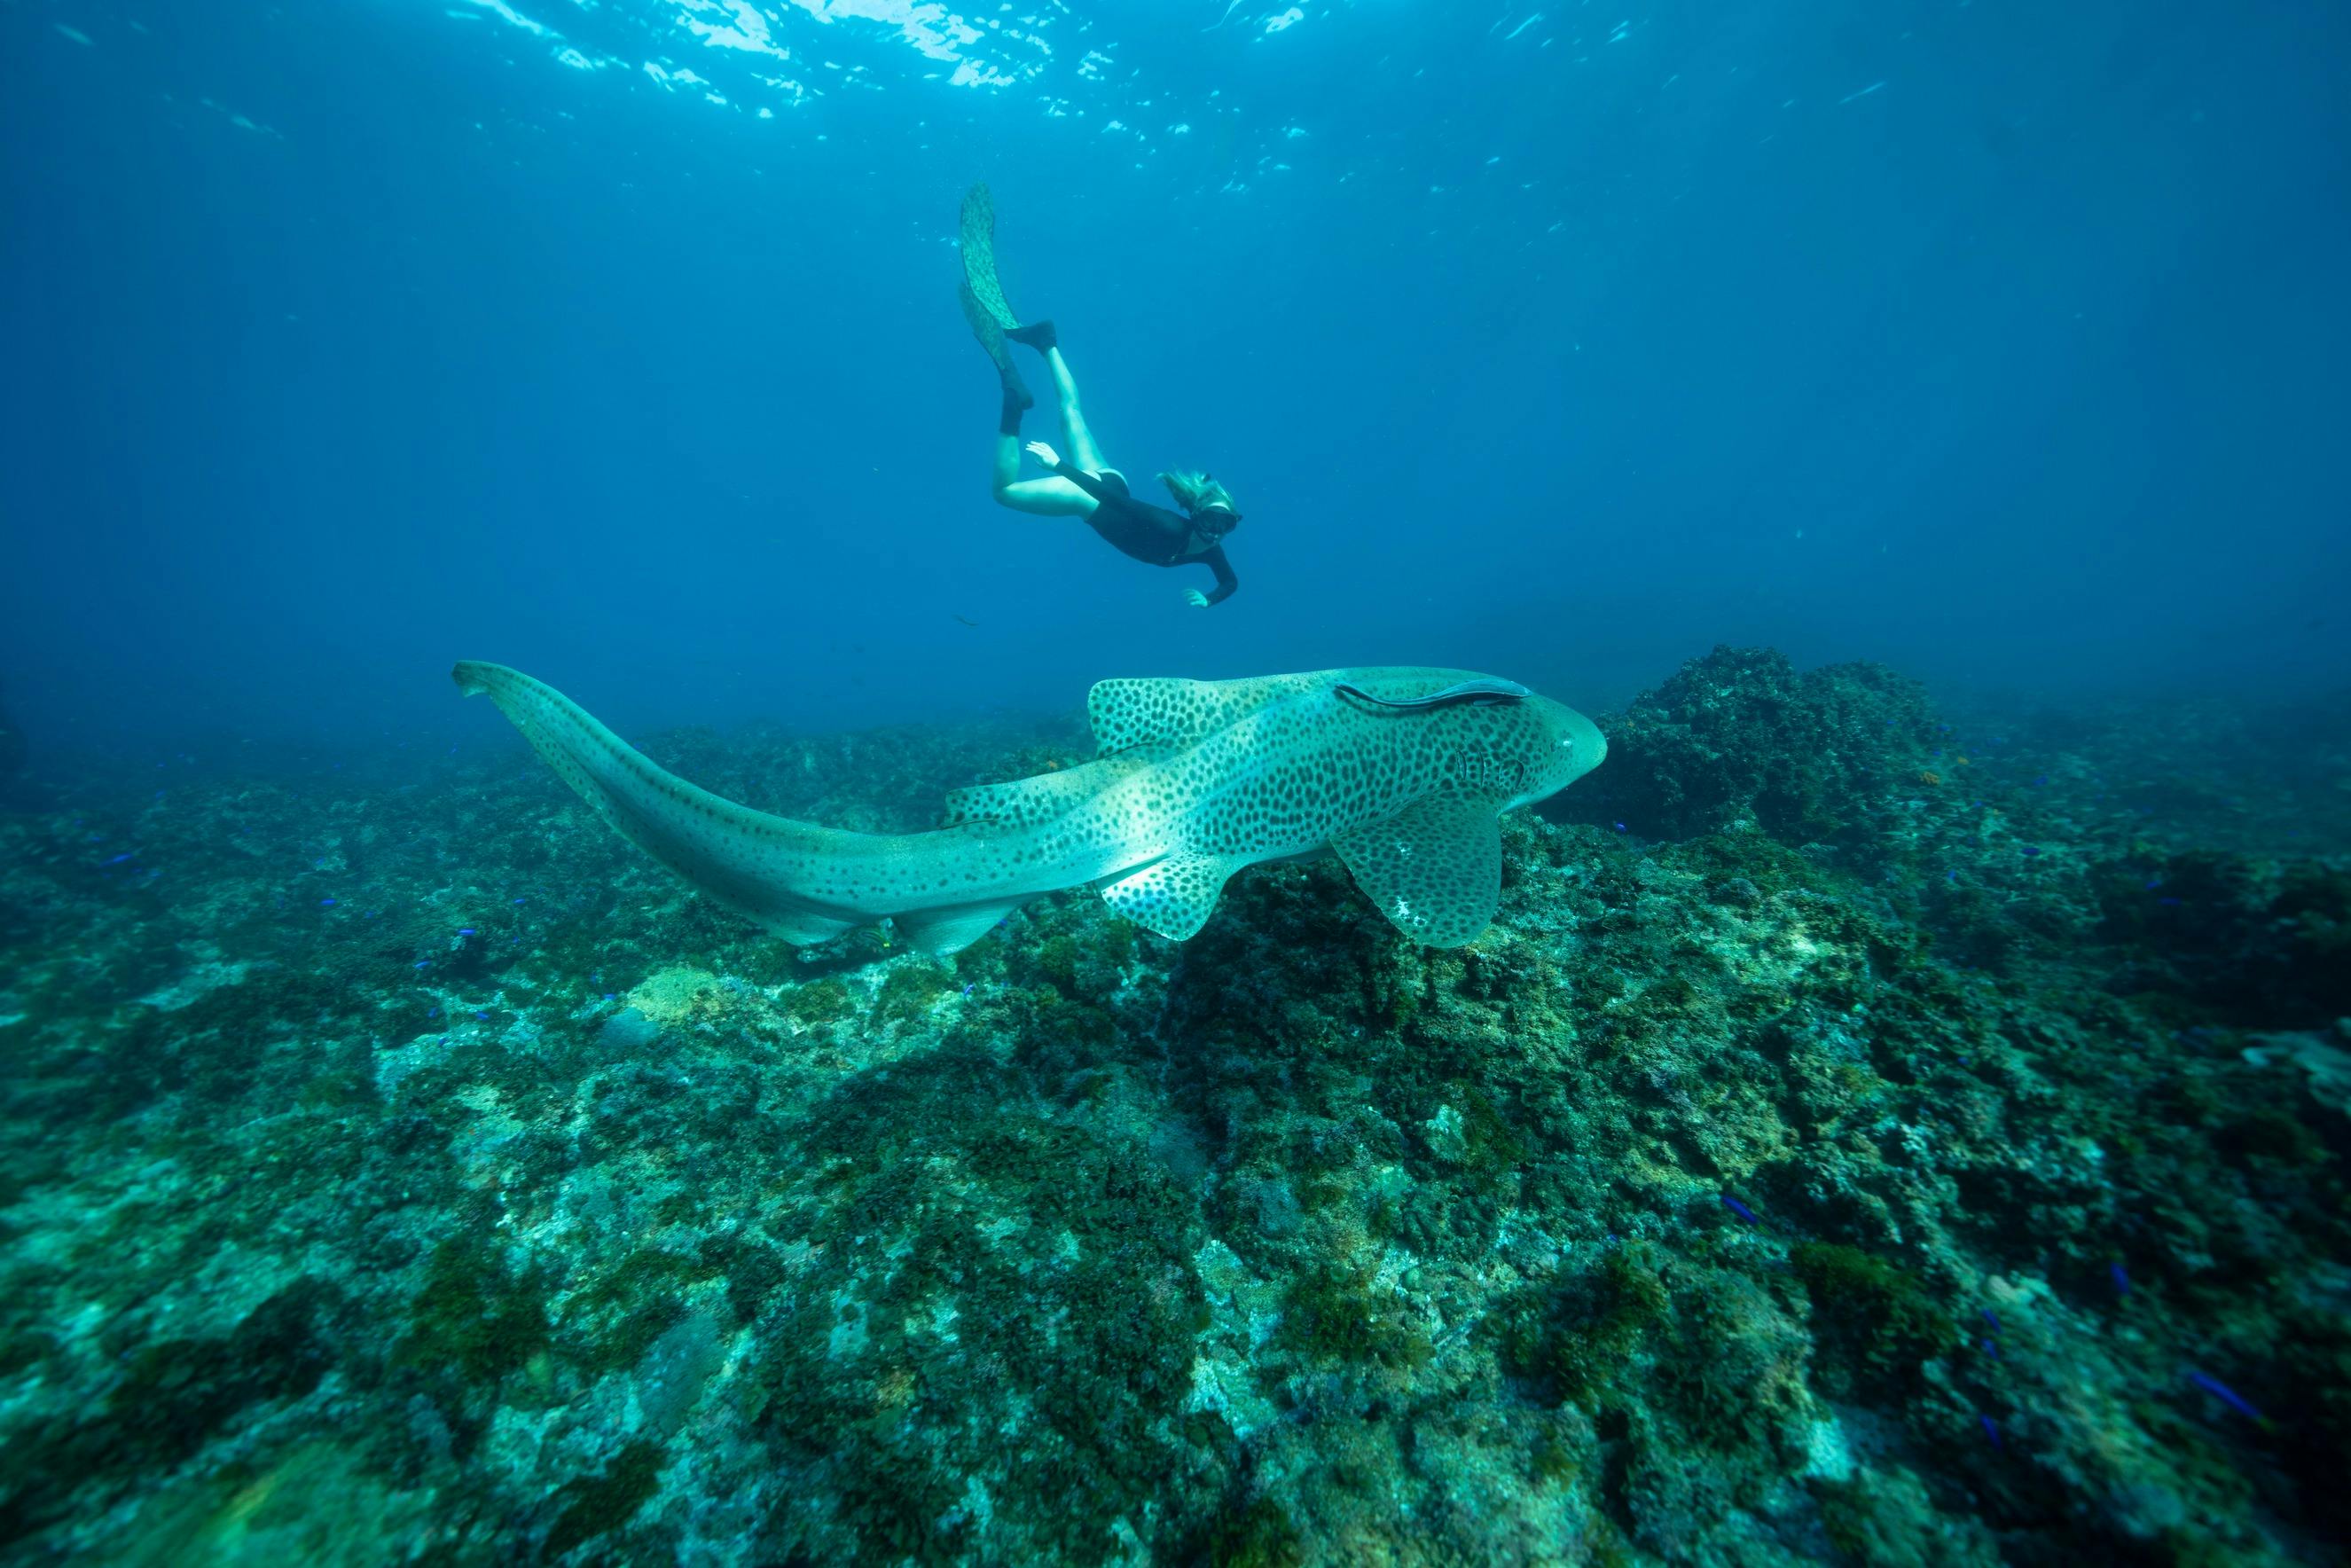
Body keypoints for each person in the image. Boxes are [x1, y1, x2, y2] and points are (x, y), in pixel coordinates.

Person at [960, 184, 1242, 608]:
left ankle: (1045, 342)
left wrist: (1210, 598)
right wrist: (1058, 465)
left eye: (1226, 524)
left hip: (1110, 479)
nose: (1216, 531)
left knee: (1072, 410)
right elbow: (1109, 502)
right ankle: (1012, 402)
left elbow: (1230, 582)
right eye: (1213, 520)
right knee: (1004, 492)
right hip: (1091, 494)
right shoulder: (1170, 528)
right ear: (1195, 515)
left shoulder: (1212, 551)